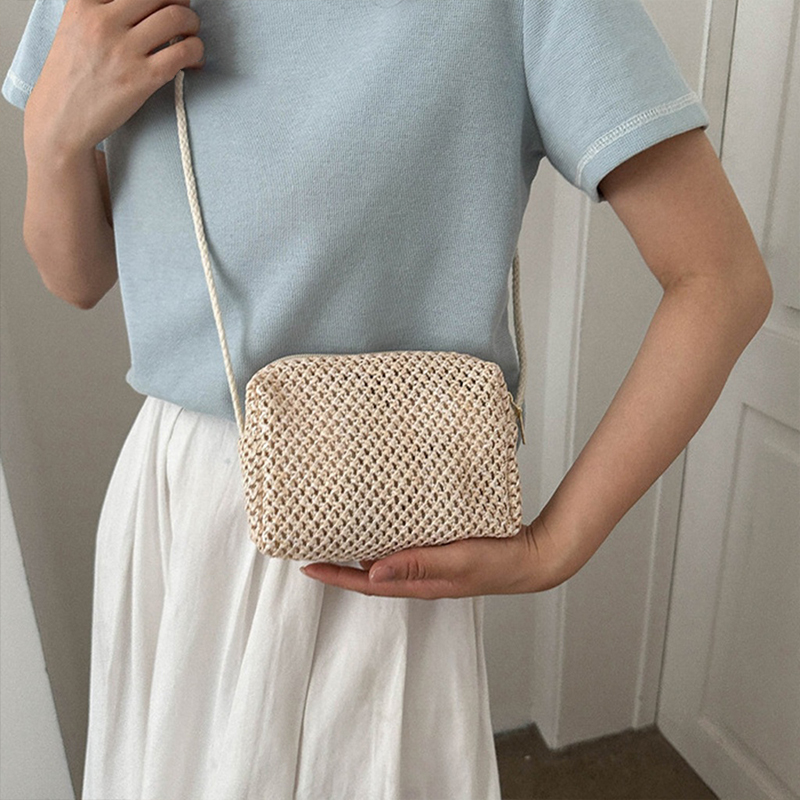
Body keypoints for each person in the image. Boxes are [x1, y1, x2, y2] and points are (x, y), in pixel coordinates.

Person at [2, 0, 772, 797]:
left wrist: (555, 547)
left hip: (381, 520)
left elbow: (721, 281)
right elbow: (78, 277)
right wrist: (52, 138)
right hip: (181, 508)